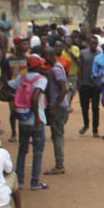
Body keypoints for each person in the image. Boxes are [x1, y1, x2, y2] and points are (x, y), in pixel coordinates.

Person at [42, 47, 69, 176]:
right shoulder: (57, 68)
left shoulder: (55, 70)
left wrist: (54, 106)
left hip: (58, 107)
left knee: (57, 135)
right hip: (61, 106)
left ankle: (59, 165)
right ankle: (59, 162)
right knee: (58, 134)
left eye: (45, 55)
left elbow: (63, 89)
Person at [77, 36, 102, 136]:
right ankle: (86, 124)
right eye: (92, 43)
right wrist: (79, 82)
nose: (93, 45)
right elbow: (80, 68)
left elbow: (102, 68)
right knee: (84, 107)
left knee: (95, 108)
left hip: (96, 85)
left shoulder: (100, 54)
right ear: (88, 43)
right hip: (85, 84)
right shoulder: (83, 53)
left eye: (95, 43)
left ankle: (95, 130)